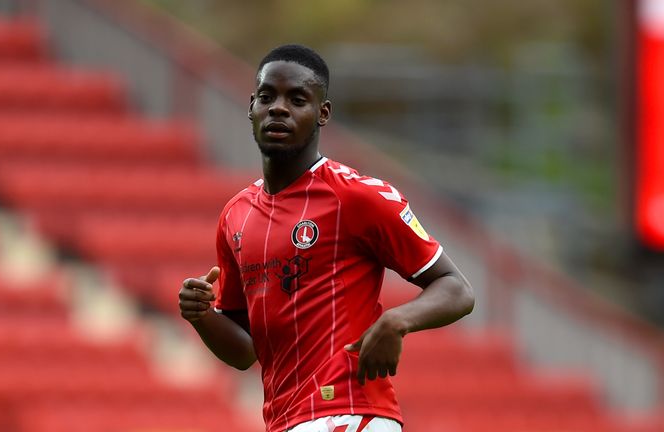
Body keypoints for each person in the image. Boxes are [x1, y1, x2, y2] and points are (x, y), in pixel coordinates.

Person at [178, 44, 474, 432]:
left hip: (352, 413)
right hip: (285, 420)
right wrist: (202, 317)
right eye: (267, 97)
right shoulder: (236, 215)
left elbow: (456, 289)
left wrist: (396, 320)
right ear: (251, 107)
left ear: (323, 113)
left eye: (297, 99)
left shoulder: (357, 196)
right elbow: (243, 351)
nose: (279, 108)